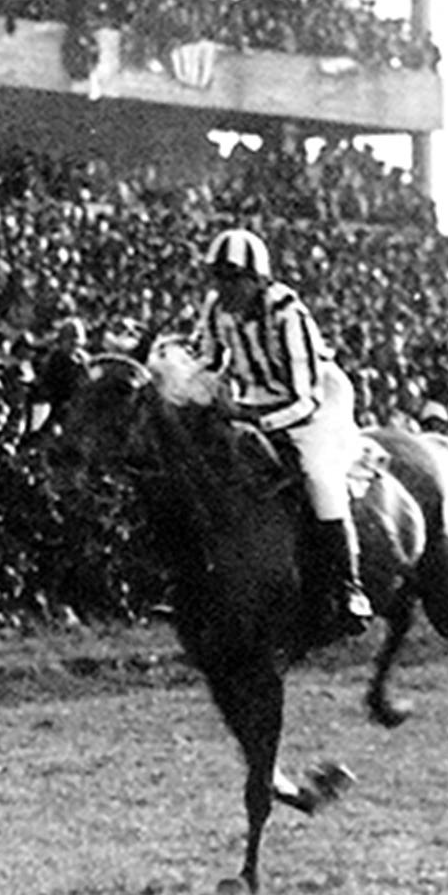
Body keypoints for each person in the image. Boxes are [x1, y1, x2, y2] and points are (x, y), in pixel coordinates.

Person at [193, 227, 371, 636]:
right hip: (254, 397)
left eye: (233, 277)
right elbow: (205, 356)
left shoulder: (289, 313)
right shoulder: (215, 306)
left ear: (258, 279)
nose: (224, 287)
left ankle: (349, 588)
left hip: (317, 398)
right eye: (218, 277)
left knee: (318, 475)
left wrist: (249, 417)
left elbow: (304, 398)